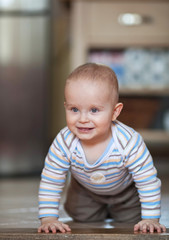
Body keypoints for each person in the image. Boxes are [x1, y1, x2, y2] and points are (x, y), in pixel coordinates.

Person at [38, 63, 166, 234]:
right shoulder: (64, 141)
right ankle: (97, 210)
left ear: (115, 112)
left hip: (126, 193)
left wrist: (150, 218)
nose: (83, 119)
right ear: (66, 107)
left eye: (94, 110)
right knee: (80, 216)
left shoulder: (128, 142)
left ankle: (119, 210)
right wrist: (48, 218)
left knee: (132, 220)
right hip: (84, 190)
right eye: (74, 109)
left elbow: (147, 180)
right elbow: (51, 179)